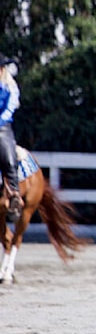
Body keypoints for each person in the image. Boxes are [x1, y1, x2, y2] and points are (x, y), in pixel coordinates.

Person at [0, 53, 22, 222]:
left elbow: (10, 108)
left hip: (2, 126)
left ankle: (14, 194)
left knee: (8, 155)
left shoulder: (10, 86)